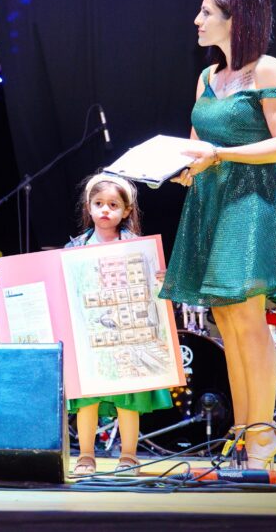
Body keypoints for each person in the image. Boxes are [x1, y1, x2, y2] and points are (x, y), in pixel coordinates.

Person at [159, 0, 276, 477]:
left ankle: (263, 437)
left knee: (249, 323)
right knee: (227, 324)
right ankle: (242, 434)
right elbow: (195, 145)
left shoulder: (268, 69)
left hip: (251, 202)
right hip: (210, 201)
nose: (197, 20)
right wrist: (181, 168)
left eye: (207, 12)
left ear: (237, 19)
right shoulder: (207, 77)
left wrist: (219, 154)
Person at [63, 173, 172, 475]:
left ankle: (128, 456)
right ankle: (86, 456)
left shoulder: (138, 247)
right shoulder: (74, 248)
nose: (105, 210)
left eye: (113, 205)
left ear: (126, 210)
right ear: (88, 207)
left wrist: (161, 280)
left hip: (128, 336)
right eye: (99, 203)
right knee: (87, 399)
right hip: (90, 337)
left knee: (128, 398)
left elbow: (154, 290)